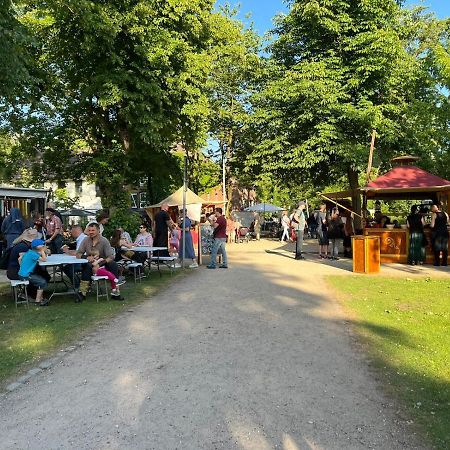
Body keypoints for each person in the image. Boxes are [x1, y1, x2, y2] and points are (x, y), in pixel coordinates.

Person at [76, 222, 123, 301]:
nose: (90, 232)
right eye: (89, 230)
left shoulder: (104, 241)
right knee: (86, 266)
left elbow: (111, 256)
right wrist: (86, 257)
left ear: (98, 231)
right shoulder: (85, 240)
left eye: (93, 230)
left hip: (103, 262)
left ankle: (115, 291)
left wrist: (100, 264)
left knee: (113, 264)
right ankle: (82, 293)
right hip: (90, 263)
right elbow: (78, 254)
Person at [18, 239, 49, 305]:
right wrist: (42, 251)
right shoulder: (33, 254)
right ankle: (38, 301)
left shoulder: (30, 252)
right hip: (25, 275)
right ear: (38, 247)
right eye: (43, 245)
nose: (44, 246)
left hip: (23, 274)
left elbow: (20, 259)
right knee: (42, 282)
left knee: (40, 278)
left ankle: (40, 298)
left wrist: (43, 251)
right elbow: (44, 259)